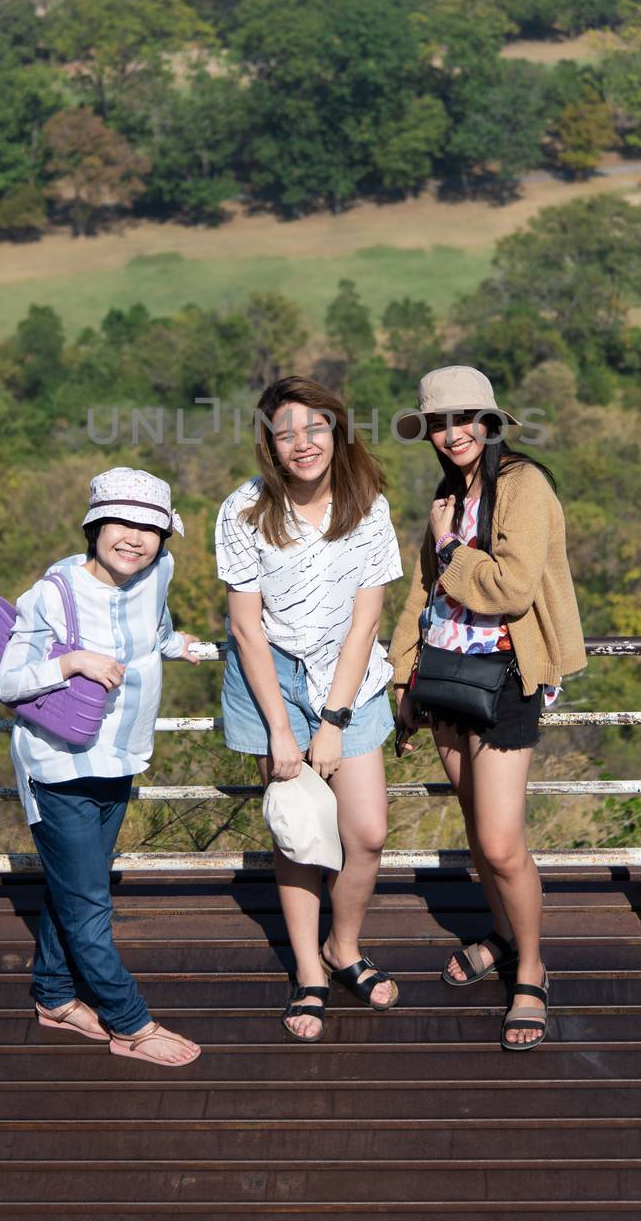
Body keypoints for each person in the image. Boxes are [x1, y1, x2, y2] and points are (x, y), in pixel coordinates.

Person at [389, 366, 585, 1051]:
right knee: (477, 833)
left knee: (502, 843)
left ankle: (531, 967)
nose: (451, 433)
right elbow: (423, 593)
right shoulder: (450, 493)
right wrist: (401, 679)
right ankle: (502, 936)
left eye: (464, 418)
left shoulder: (523, 486)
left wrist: (450, 545)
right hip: (443, 676)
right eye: (439, 423)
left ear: (491, 420)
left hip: (504, 677)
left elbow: (509, 587)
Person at [215, 376, 404, 1042]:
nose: (302, 442)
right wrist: (283, 730)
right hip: (274, 683)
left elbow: (365, 622)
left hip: (348, 684)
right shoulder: (244, 511)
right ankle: (308, 971)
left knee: (367, 833)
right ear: (269, 442)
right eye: (286, 430)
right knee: (298, 834)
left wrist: (332, 722)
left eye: (315, 427)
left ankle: (342, 945)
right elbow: (246, 629)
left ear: (337, 430)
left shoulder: (367, 505)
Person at [0, 466, 204, 1068]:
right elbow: (9, 679)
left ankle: (55, 995)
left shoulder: (158, 572)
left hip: (120, 757)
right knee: (89, 903)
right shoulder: (52, 594)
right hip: (59, 766)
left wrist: (177, 644)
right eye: (122, 523)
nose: (136, 539)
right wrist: (73, 663)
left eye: (150, 528)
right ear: (94, 527)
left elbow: (153, 629)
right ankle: (130, 1023)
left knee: (75, 887)